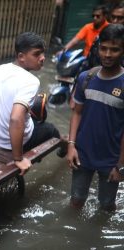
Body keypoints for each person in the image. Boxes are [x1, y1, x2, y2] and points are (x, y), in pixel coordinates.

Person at [0, 32, 61, 175]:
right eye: (37, 54)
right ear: (21, 57)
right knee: (51, 129)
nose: (43, 58)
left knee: (31, 111)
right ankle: (63, 149)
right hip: (6, 143)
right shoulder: (31, 81)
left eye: (43, 53)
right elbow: (16, 118)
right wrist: (18, 158)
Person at [66, 24, 124, 211]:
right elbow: (77, 112)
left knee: (107, 204)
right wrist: (71, 145)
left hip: (111, 159)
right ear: (98, 48)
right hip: (82, 153)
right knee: (76, 200)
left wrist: (120, 165)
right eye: (104, 48)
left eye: (114, 50)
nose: (107, 54)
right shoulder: (86, 78)